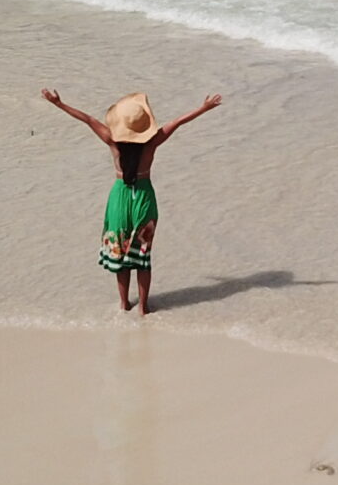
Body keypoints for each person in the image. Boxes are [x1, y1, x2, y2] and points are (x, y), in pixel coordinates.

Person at [40, 86, 221, 314]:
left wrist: (58, 103)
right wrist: (203, 108)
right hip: (143, 199)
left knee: (120, 251)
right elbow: (178, 122)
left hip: (120, 197)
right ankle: (143, 307)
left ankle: (124, 303)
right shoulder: (152, 142)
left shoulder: (111, 140)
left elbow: (87, 119)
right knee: (142, 255)